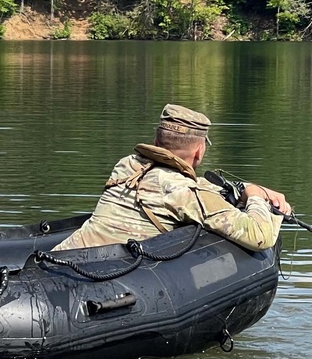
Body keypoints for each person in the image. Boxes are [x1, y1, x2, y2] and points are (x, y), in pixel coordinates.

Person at [52, 104, 289, 252]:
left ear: (156, 143)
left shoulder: (126, 165)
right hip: (96, 275)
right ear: (199, 151)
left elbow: (180, 182)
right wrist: (256, 197)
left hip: (62, 259)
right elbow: (261, 236)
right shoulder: (185, 195)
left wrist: (246, 187)